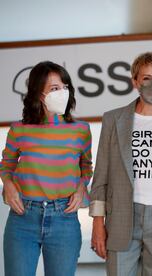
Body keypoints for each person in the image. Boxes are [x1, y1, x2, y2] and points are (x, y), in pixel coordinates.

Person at [89, 52, 152, 276]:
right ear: (135, 81)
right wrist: (98, 223)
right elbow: (101, 175)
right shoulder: (113, 119)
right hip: (121, 217)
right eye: (146, 78)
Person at [0, 61, 93, 276]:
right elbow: (7, 165)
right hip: (23, 217)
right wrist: (9, 185)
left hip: (64, 217)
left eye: (65, 87)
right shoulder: (19, 129)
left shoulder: (81, 130)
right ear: (39, 95)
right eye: (54, 89)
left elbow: (86, 167)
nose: (63, 93)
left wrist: (81, 188)